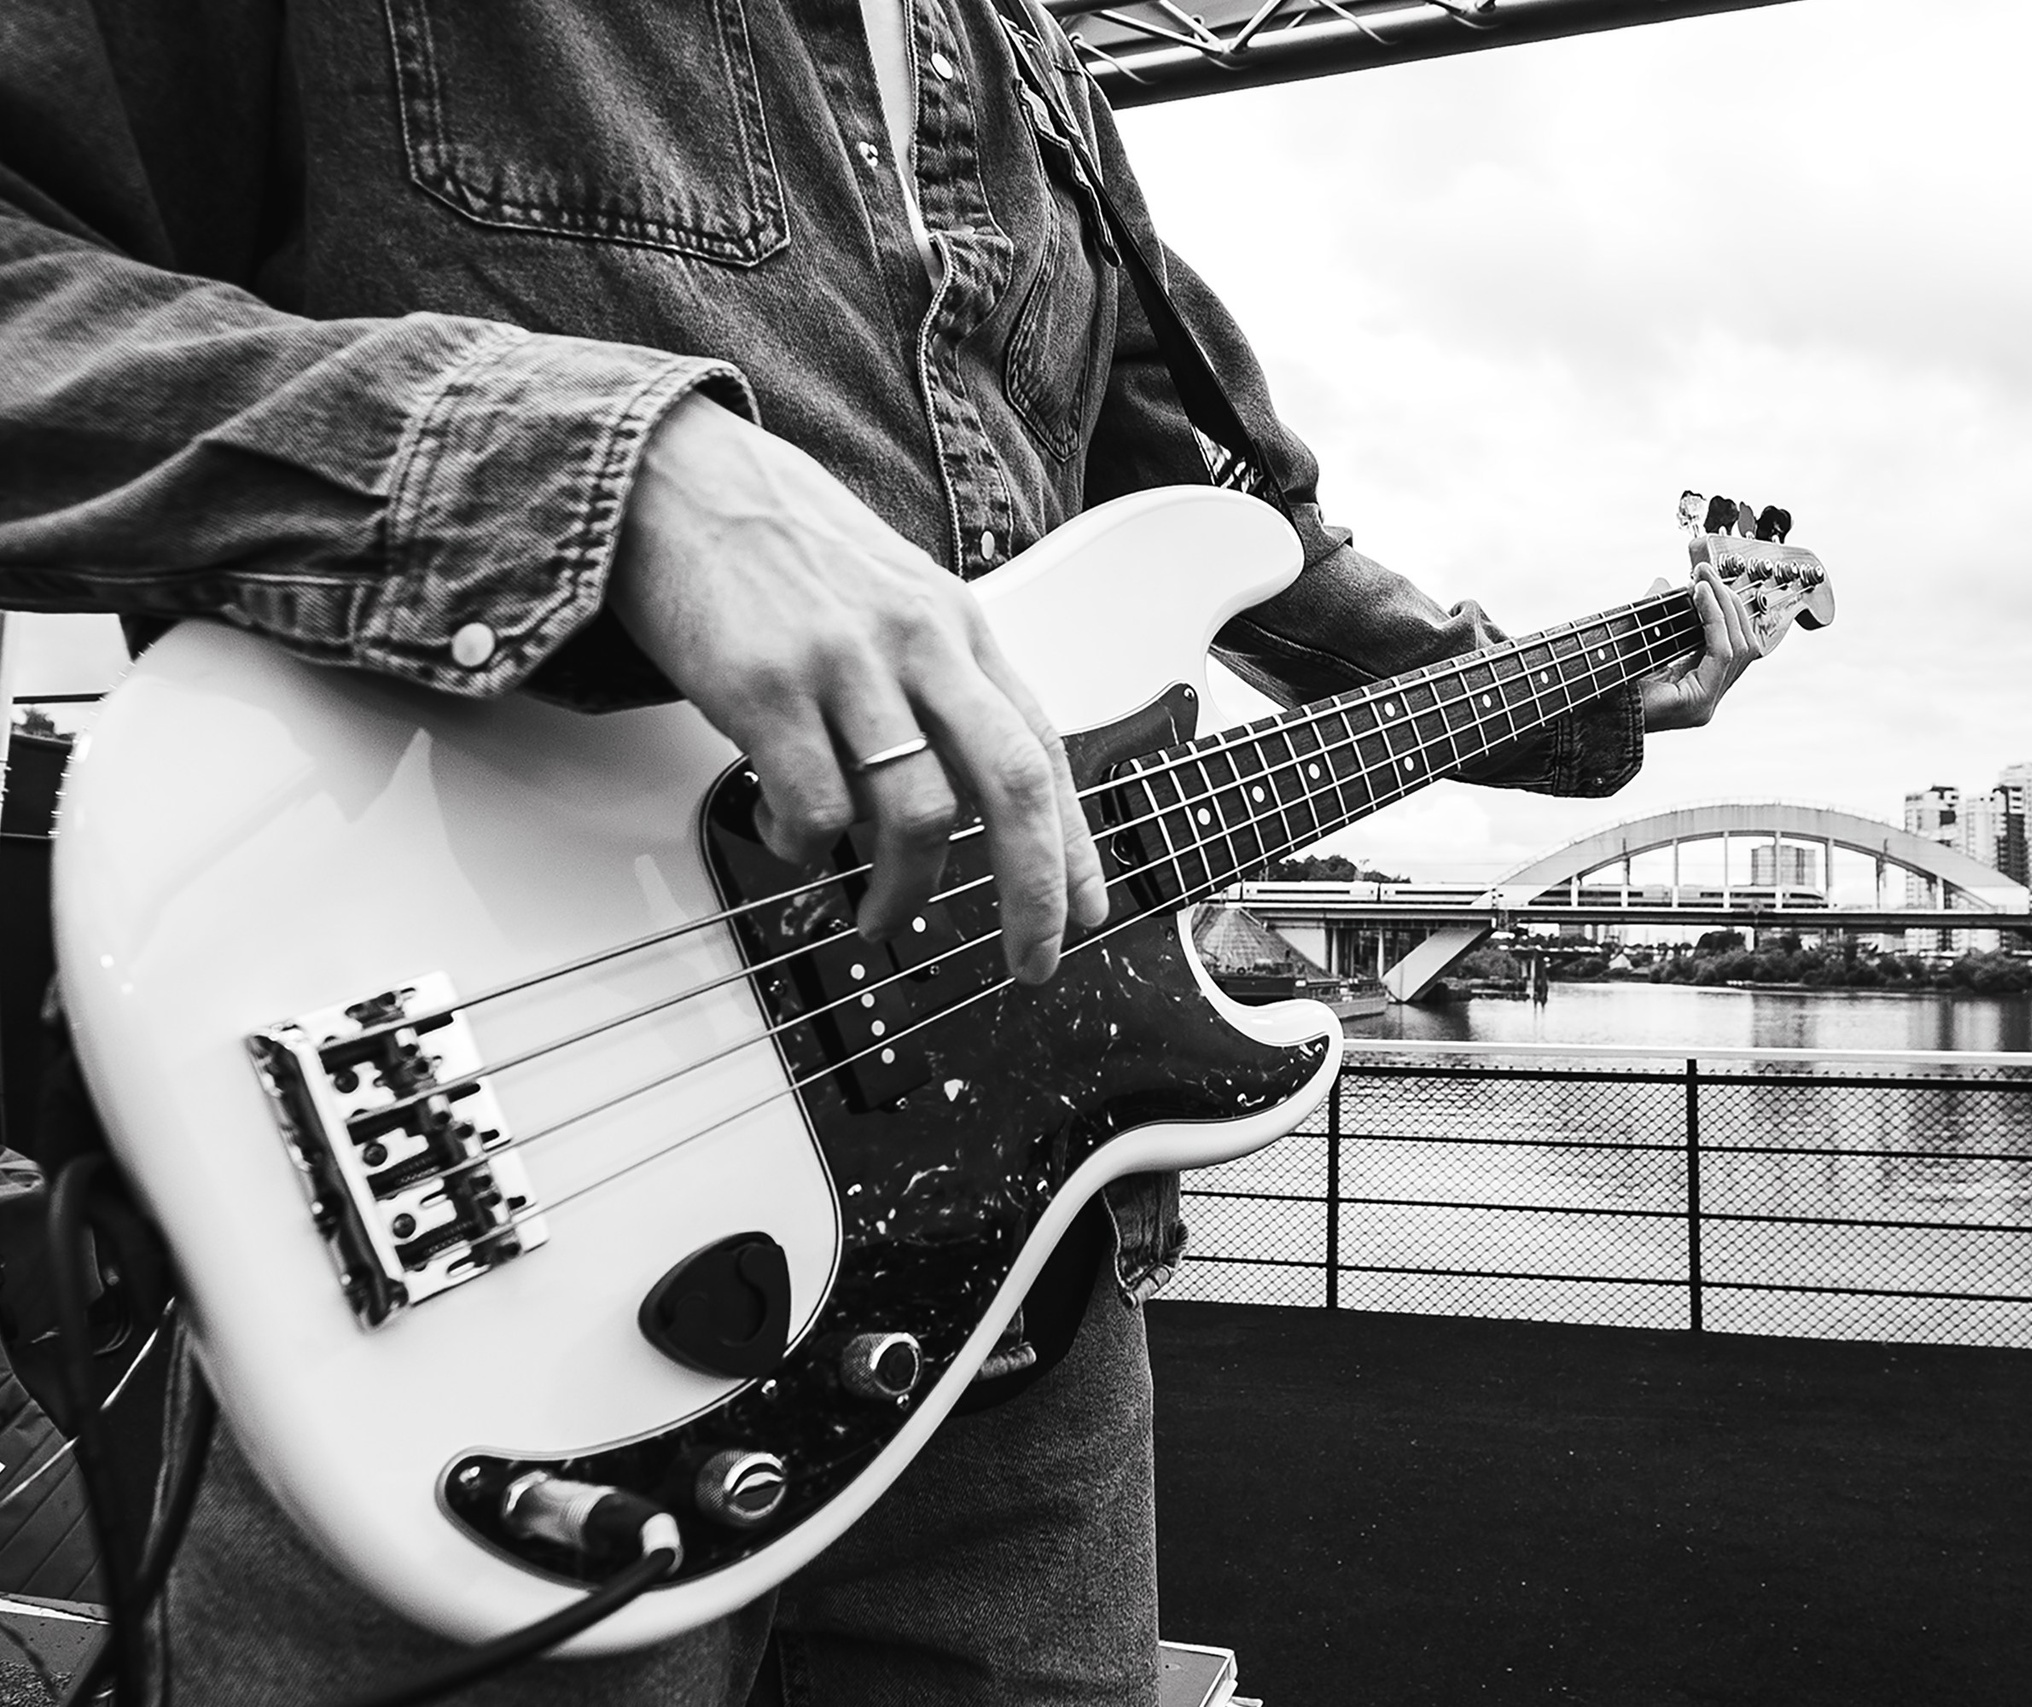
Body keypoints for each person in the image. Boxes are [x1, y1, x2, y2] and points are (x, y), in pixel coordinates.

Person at [0, 0, 1768, 1700]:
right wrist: (615, 479)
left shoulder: (1031, 67)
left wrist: (1589, 680)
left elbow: (1240, 536)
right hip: (521, 1233)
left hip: (1027, 1287)